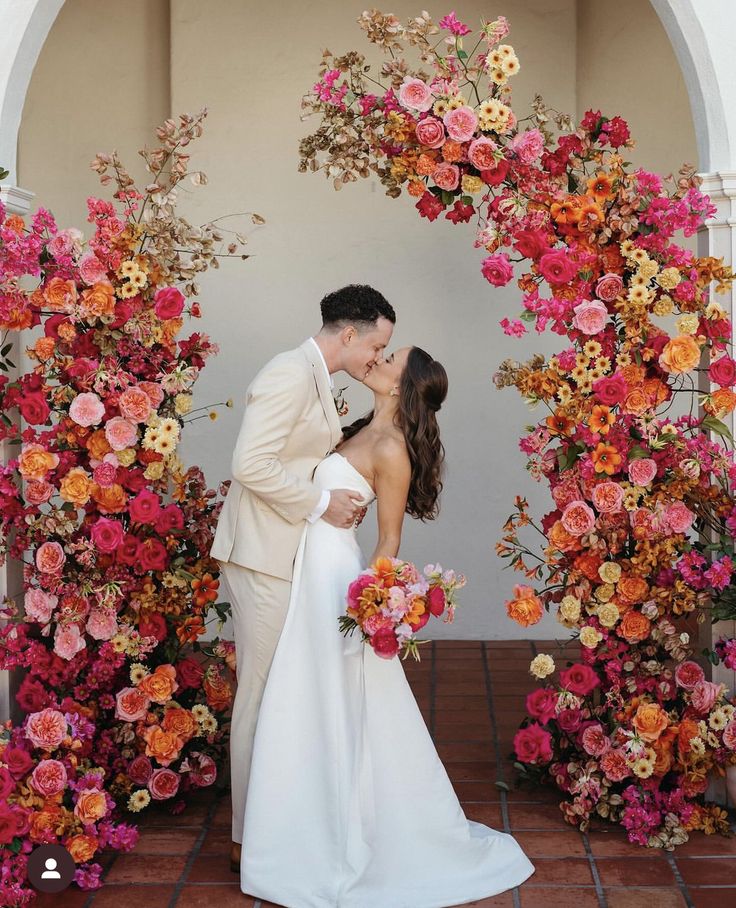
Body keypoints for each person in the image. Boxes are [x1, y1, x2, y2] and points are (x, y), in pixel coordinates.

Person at [239, 346, 535, 907]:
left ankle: (342, 829)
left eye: (391, 357)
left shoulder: (392, 447)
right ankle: (303, 818)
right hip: (307, 568)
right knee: (305, 694)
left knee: (334, 697)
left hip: (335, 580)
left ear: (406, 384)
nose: (378, 359)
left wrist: (375, 604)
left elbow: (389, 540)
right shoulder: (352, 427)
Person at [210, 284, 396, 872]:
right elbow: (250, 465)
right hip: (261, 554)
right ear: (350, 334)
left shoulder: (318, 375)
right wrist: (321, 503)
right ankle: (248, 840)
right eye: (378, 345)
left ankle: (271, 824)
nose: (377, 358)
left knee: (276, 694)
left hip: (283, 550)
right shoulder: (289, 373)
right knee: (260, 698)